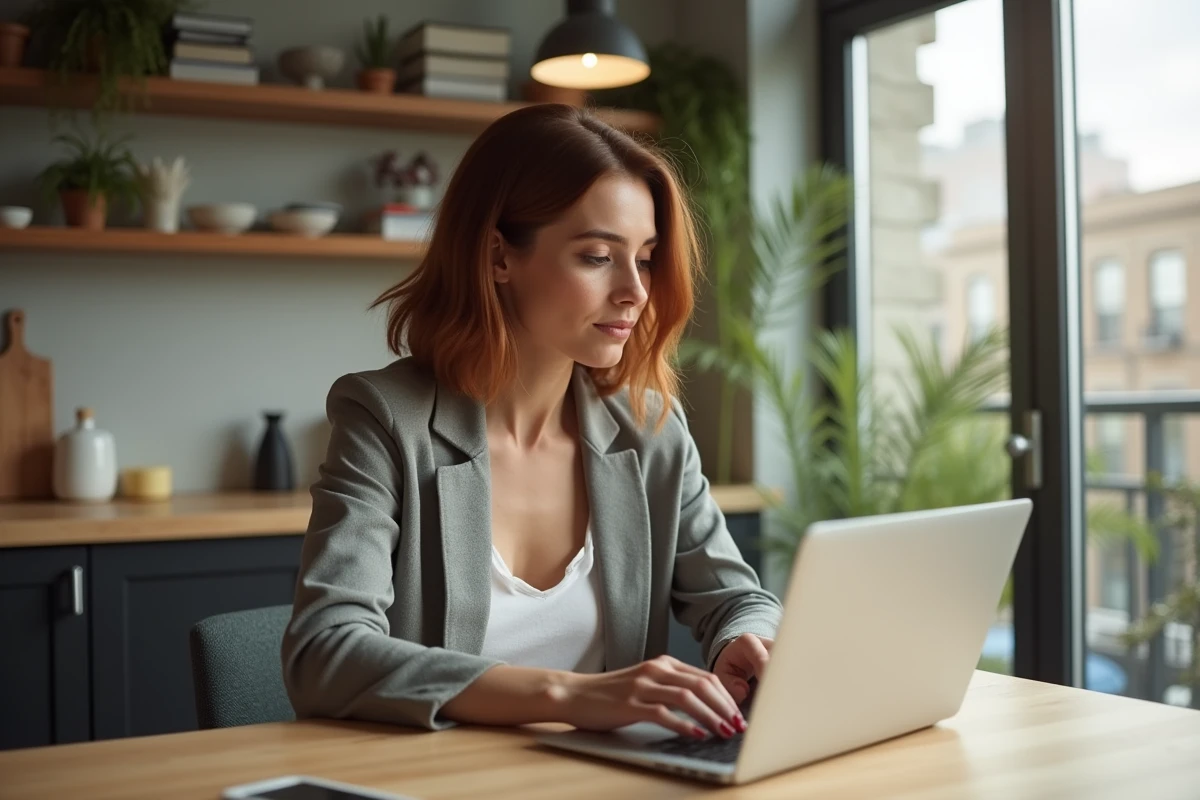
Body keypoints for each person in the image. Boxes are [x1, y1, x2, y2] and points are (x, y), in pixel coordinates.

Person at [281, 103, 783, 741]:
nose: (635, 290)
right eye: (598, 256)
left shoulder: (649, 427)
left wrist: (746, 640)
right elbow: (323, 655)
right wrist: (570, 695)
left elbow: (737, 598)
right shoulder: (385, 420)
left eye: (647, 258)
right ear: (498, 256)